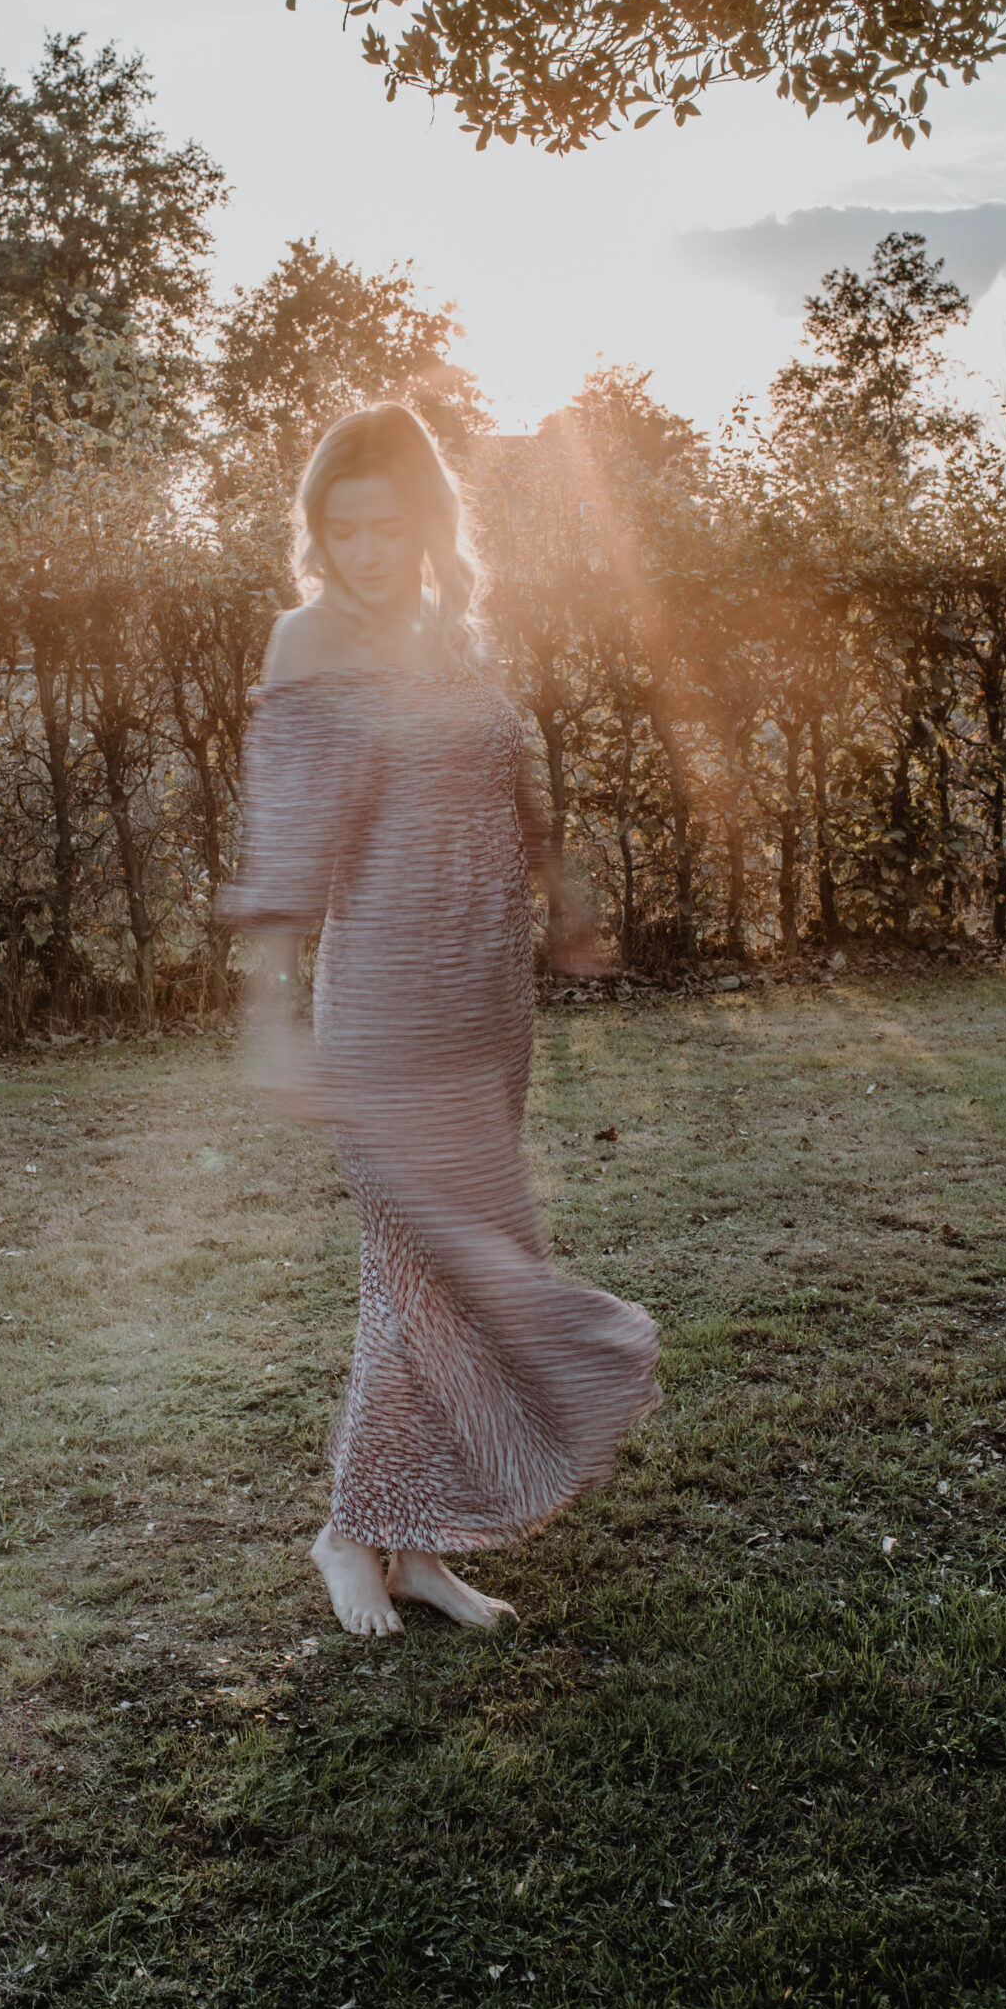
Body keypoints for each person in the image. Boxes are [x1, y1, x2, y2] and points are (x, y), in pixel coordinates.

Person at [220, 402, 663, 1639]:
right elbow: (285, 841)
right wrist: (268, 1014)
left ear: (425, 520)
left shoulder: (454, 633)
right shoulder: (309, 641)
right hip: (385, 1000)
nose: (363, 551)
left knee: (442, 1270)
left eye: (385, 525)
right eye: (340, 529)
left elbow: (517, 791)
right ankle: (347, 1532)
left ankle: (412, 1549)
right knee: (420, 1254)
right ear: (319, 534)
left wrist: (567, 903)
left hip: (485, 997)